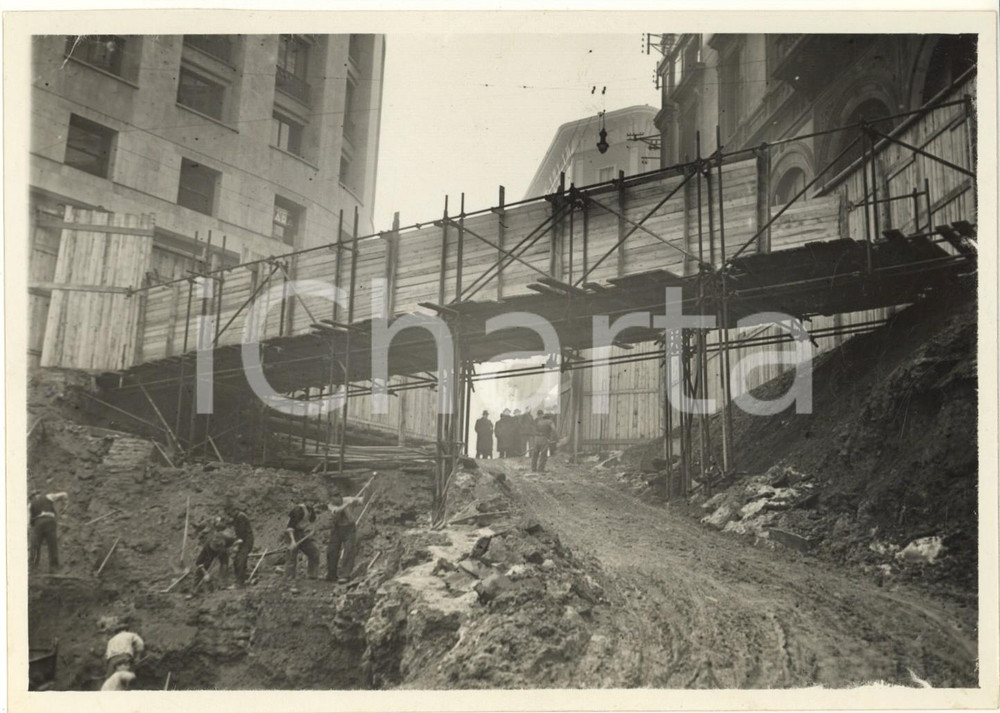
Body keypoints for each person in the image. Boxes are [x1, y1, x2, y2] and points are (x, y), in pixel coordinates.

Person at [325, 490, 364, 584]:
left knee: (349, 550)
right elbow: (337, 511)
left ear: (339, 496)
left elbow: (363, 500)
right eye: (332, 498)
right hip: (337, 529)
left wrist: (366, 489)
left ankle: (344, 575)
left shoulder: (349, 499)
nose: (334, 500)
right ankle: (331, 574)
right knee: (332, 551)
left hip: (349, 529)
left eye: (336, 497)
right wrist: (347, 504)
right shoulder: (330, 505)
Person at [192, 517, 238, 590]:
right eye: (216, 547)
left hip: (223, 551)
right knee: (202, 569)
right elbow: (198, 563)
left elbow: (236, 540)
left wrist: (234, 547)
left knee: (224, 564)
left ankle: (223, 584)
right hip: (210, 554)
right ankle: (195, 588)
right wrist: (205, 573)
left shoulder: (227, 538)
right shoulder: (207, 548)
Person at [29, 491, 68, 572]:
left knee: (35, 546)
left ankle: (33, 568)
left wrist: (30, 529)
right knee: (52, 545)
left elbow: (28, 522)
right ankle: (54, 568)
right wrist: (64, 507)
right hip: (49, 521)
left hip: (38, 523)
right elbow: (64, 494)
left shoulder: (30, 505)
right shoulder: (48, 496)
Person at [285, 502, 319, 580]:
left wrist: (312, 530)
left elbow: (313, 521)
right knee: (291, 556)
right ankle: (289, 578)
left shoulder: (311, 510)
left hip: (301, 533)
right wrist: (293, 541)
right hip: (291, 533)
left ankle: (312, 575)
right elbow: (290, 527)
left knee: (314, 552)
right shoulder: (298, 511)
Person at [228, 506, 254, 586]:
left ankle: (240, 583)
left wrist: (237, 544)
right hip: (243, 541)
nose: (230, 516)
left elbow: (242, 532)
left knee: (240, 560)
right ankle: (241, 579)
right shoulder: (237, 517)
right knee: (236, 560)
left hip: (246, 541)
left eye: (230, 513)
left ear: (234, 510)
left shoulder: (241, 516)